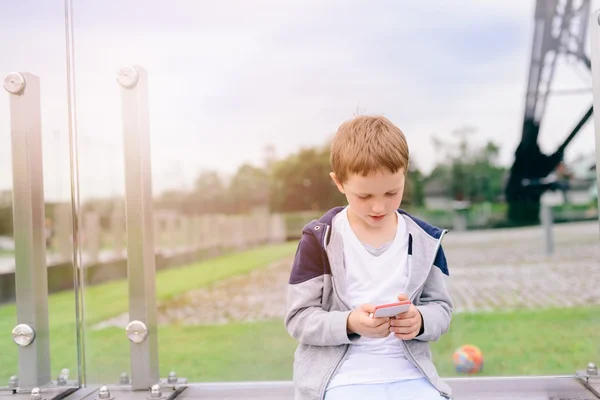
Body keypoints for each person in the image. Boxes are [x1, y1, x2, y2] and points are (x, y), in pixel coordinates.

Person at [284, 115, 453, 400]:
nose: (379, 206)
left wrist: (419, 320)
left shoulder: (426, 240)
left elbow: (442, 309)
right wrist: (349, 323)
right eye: (364, 196)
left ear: (404, 175)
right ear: (339, 183)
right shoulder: (317, 240)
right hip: (340, 381)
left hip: (412, 377)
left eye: (392, 192)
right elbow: (299, 319)